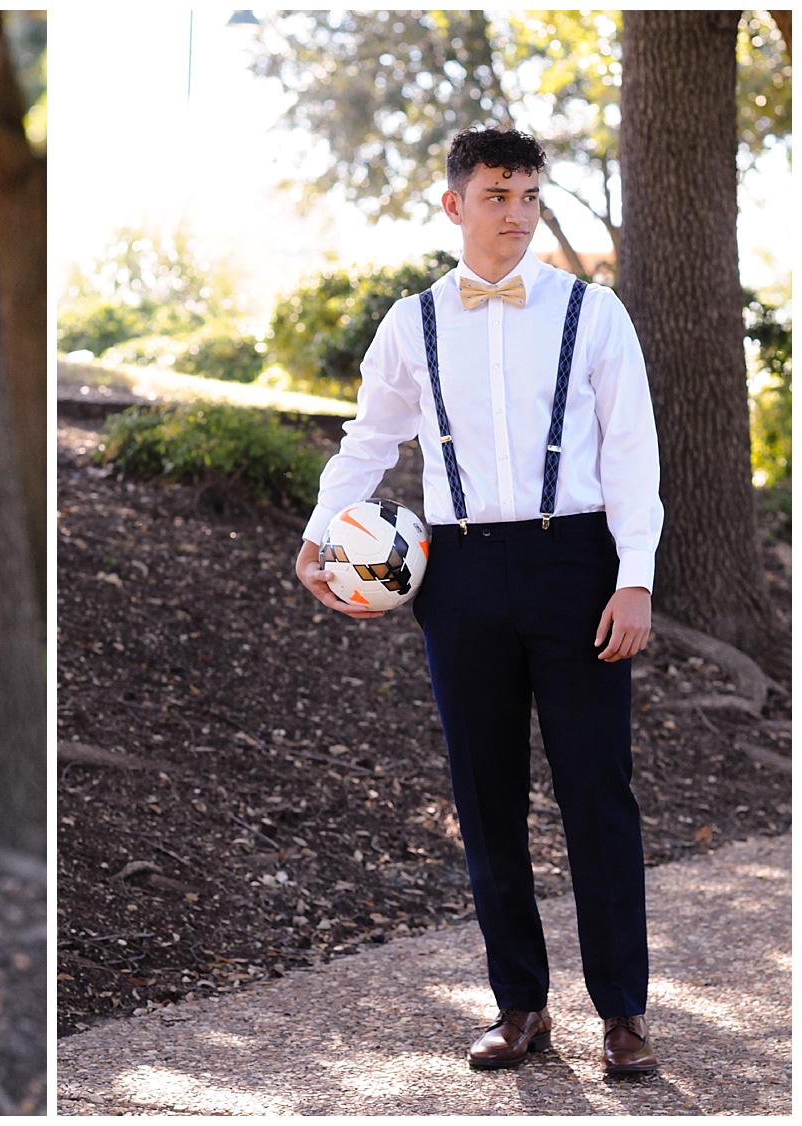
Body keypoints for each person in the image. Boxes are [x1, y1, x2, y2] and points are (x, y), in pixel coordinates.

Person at [294, 128, 662, 1075]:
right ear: (454, 204)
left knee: (597, 795)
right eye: (498, 193)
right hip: (456, 575)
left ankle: (622, 1013)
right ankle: (520, 1007)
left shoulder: (594, 313)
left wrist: (634, 576)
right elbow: (369, 439)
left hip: (575, 563)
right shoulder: (410, 323)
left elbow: (631, 454)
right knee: (484, 798)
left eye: (530, 194)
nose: (517, 212)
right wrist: (322, 531)